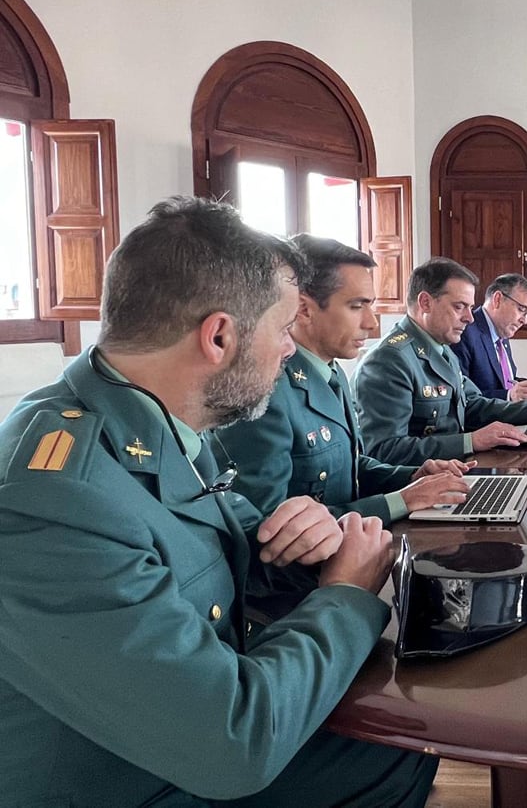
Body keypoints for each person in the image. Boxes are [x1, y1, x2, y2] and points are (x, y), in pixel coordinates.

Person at [0, 197, 436, 807]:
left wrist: (308, 539)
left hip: (166, 739)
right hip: (127, 778)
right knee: (392, 754)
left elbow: (233, 549)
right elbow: (233, 742)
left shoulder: (161, 421)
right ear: (220, 335)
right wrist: (346, 597)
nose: (290, 352)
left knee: (394, 741)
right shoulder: (56, 497)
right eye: (284, 331)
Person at [216, 235, 472, 609]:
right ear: (303, 309)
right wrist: (398, 501)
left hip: (348, 561)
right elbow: (270, 535)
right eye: (356, 306)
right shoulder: (267, 391)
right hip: (300, 598)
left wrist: (412, 477)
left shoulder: (329, 372)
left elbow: (348, 469)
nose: (371, 323)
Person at [355, 258, 527, 465]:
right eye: (459, 306)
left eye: (470, 308)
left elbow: (474, 404)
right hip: (416, 490)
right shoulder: (389, 361)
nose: (470, 318)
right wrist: (469, 441)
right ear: (425, 302)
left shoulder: (442, 350)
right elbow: (382, 452)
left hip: (451, 472)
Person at [451, 272, 527, 401]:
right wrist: (509, 396)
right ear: (497, 299)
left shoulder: (502, 336)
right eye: (521, 309)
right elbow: (460, 396)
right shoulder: (465, 333)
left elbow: (503, 381)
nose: (524, 321)